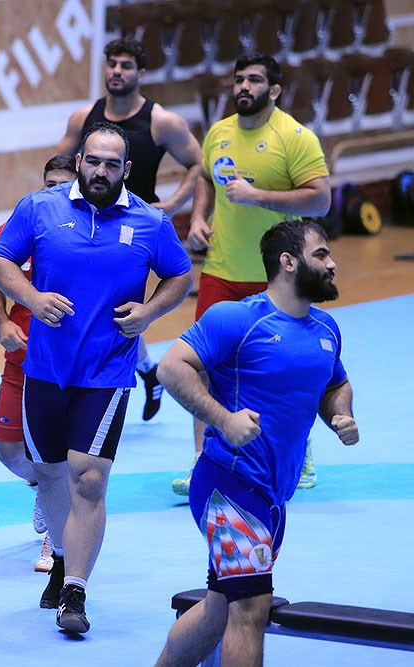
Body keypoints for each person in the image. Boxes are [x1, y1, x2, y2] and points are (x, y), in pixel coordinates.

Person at [0, 122, 194, 634]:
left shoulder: (149, 221)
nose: (101, 171)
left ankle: (75, 591)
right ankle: (62, 558)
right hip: (44, 370)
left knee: (88, 477)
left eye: (112, 164)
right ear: (80, 162)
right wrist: (31, 299)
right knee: (50, 474)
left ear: (127, 169)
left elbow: (180, 274)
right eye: (93, 161)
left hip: (107, 372)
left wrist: (149, 312)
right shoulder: (39, 208)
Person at [153, 219, 359, 667]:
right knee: (250, 609)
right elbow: (171, 368)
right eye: (321, 254)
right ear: (288, 262)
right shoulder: (238, 319)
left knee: (219, 608)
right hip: (228, 485)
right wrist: (224, 420)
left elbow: (334, 384)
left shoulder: (326, 329)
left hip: (273, 496)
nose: (332, 263)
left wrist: (340, 415)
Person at [173, 53, 332, 496]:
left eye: (255, 80)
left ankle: (298, 447)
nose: (244, 86)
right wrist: (198, 217)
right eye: (239, 78)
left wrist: (257, 195)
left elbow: (320, 200)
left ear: (274, 90)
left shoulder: (295, 137)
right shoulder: (219, 132)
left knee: (284, 369)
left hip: (278, 278)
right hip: (222, 269)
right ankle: (203, 457)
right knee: (202, 365)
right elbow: (206, 179)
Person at [57, 37, 203, 421]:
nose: (116, 71)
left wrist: (175, 204)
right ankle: (147, 371)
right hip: (88, 227)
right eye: (112, 64)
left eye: (125, 66)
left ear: (141, 74)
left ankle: (114, 384)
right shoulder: (83, 117)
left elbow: (198, 163)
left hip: (136, 233)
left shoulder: (162, 122)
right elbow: (60, 166)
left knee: (115, 310)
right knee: (104, 310)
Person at [0, 154, 77, 574]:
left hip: (68, 369)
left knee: (59, 459)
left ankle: (56, 542)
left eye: (64, 185)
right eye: (49, 184)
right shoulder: (21, 225)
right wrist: (2, 322)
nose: (55, 192)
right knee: (8, 452)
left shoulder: (89, 231)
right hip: (20, 363)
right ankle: (44, 488)